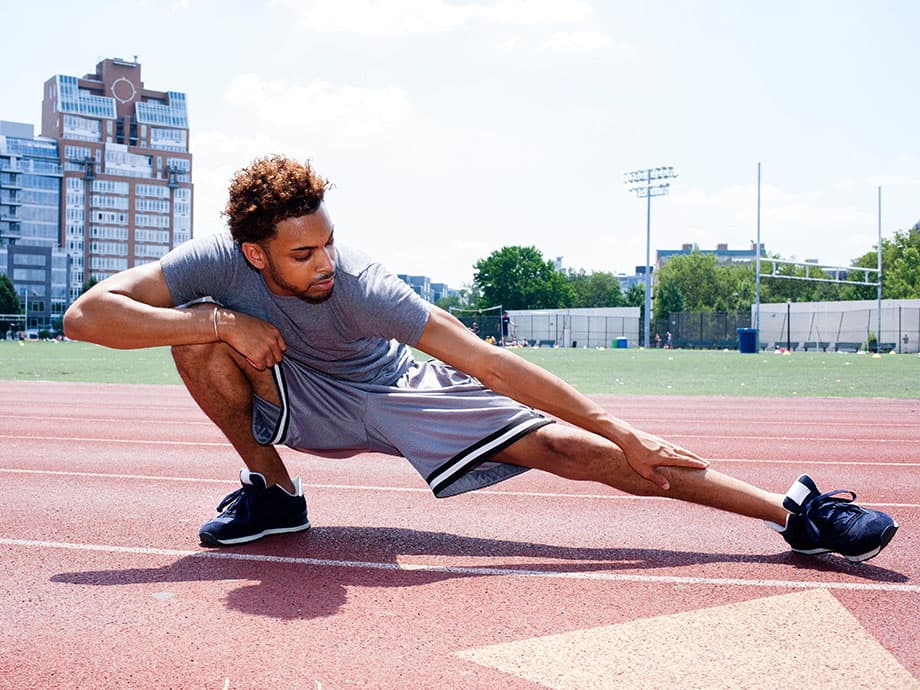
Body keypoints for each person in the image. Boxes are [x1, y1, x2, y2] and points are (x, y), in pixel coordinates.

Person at [63, 155, 898, 562]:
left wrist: (627, 431)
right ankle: (275, 496)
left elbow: (491, 364)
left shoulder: (365, 289)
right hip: (301, 390)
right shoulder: (212, 264)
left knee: (574, 451)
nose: (323, 263)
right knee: (197, 351)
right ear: (251, 253)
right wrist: (213, 319)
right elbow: (84, 317)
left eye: (328, 245)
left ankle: (796, 514)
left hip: (396, 387)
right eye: (301, 255)